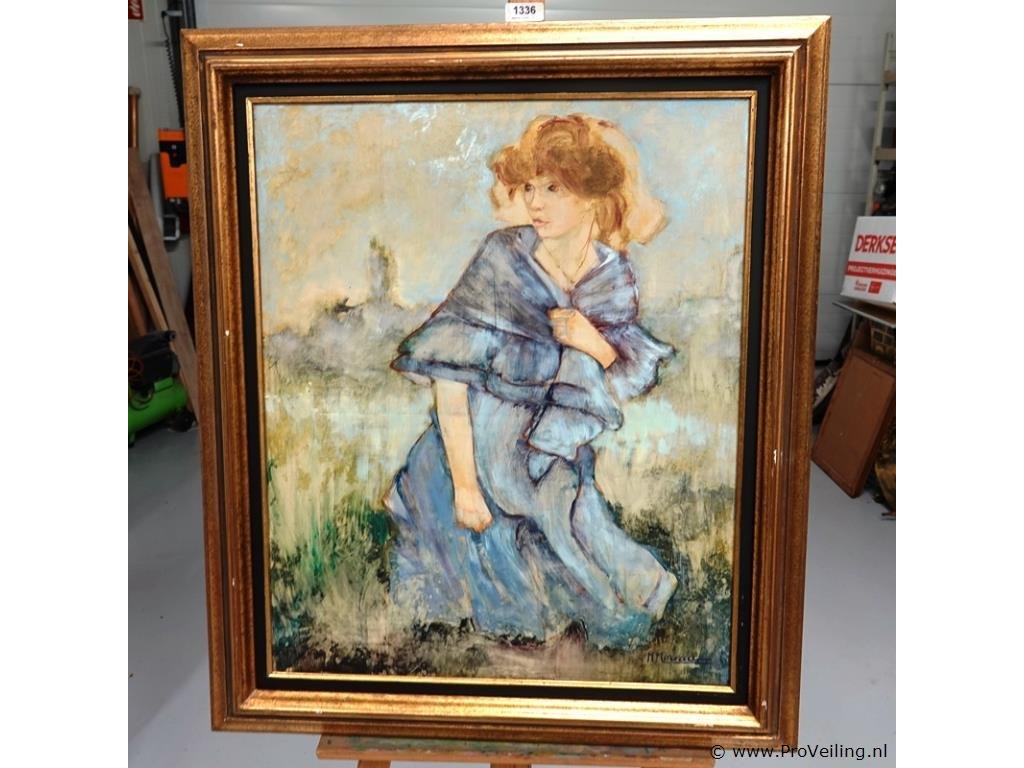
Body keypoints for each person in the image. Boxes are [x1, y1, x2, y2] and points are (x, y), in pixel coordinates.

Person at [384, 114, 677, 650]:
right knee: (489, 585)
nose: (535, 203)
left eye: (553, 189)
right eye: (529, 188)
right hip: (471, 451)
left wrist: (592, 341)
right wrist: (466, 487)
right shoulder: (502, 260)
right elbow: (449, 379)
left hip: (549, 451)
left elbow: (626, 373)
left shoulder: (611, 277)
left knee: (580, 547)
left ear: (590, 197)